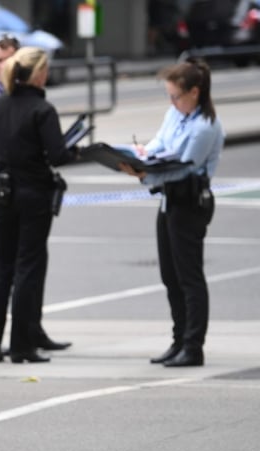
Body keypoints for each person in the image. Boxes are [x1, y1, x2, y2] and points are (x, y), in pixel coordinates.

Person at [0, 35, 70, 356]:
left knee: (2, 269)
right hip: (30, 191)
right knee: (26, 267)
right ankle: (21, 346)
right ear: (36, 74)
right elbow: (56, 154)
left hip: (1, 189)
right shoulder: (39, 108)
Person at [118, 58, 223, 367]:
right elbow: (160, 144)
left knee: (189, 276)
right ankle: (178, 339)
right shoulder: (175, 115)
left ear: (195, 92)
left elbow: (182, 169)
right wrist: (142, 154)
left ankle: (193, 345)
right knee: (170, 275)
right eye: (170, 96)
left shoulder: (205, 126)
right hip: (169, 200)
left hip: (190, 202)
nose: (172, 102)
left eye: (176, 96)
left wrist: (143, 174)